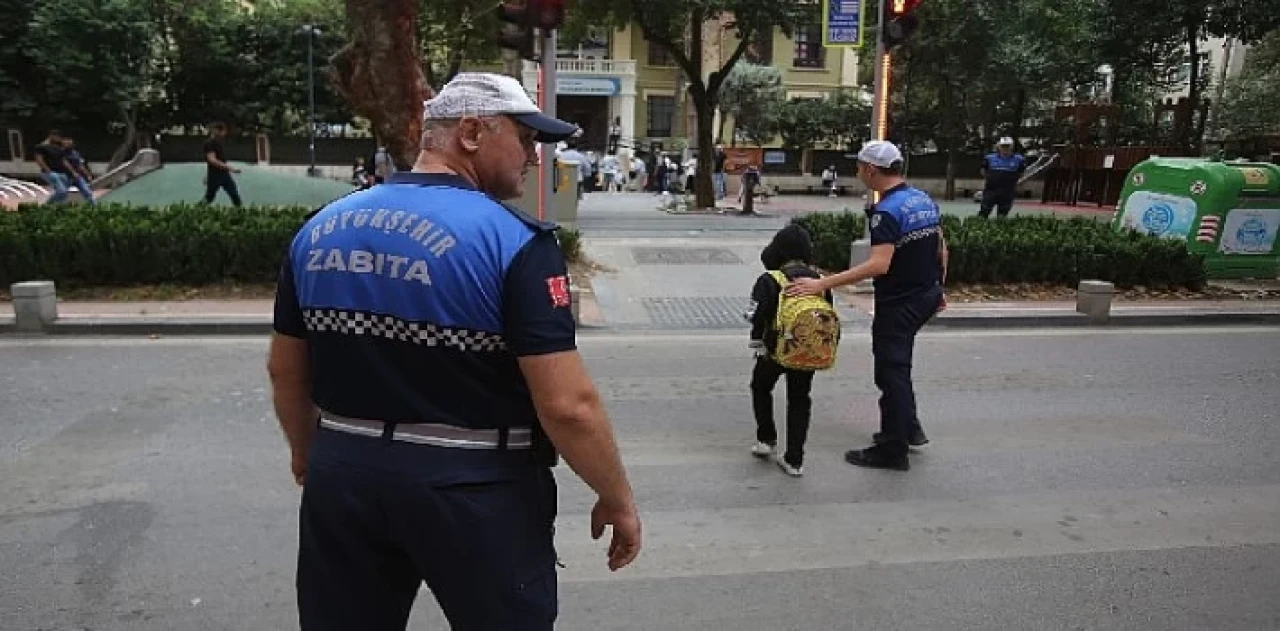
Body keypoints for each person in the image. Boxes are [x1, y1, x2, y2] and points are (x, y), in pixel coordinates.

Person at [267, 72, 642, 631]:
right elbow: (569, 406)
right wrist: (616, 496)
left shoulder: (321, 229)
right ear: (470, 132)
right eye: (525, 139)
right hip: (474, 487)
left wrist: (308, 453)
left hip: (343, 475)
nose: (535, 159)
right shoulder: (513, 243)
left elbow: (286, 371)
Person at [786, 140, 947, 471]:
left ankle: (893, 449)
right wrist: (938, 288)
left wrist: (821, 283)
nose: (858, 172)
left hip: (900, 303)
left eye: (859, 166)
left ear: (871, 170)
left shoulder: (887, 212)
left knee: (891, 372)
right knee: (899, 366)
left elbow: (879, 265)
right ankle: (908, 429)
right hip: (925, 295)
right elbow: (941, 248)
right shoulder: (920, 199)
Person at [746, 224, 833, 477]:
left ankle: (766, 439)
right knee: (800, 399)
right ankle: (794, 460)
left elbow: (756, 316)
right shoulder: (819, 281)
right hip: (806, 350)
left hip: (774, 350)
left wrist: (757, 343)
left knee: (760, 387)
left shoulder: (771, 279)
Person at [978, 136, 1026, 219]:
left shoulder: (1019, 159)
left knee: (1002, 216)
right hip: (991, 191)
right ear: (999, 146)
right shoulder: (989, 158)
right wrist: (991, 179)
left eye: (1008, 146)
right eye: (1003, 146)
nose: (1005, 148)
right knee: (984, 212)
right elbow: (983, 171)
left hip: (1007, 192)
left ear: (1012, 146)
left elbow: (1021, 173)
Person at [203, 122, 243, 207]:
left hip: (224, 174)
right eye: (223, 131)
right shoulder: (209, 143)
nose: (224, 134)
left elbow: (219, 160)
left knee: (234, 194)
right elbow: (212, 160)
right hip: (215, 175)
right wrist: (230, 168)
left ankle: (241, 213)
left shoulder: (218, 143)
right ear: (217, 131)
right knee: (209, 198)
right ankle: (196, 211)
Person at [33, 130, 71, 204]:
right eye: (58, 137)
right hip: (50, 172)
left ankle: (58, 207)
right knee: (62, 191)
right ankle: (47, 205)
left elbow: (63, 160)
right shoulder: (41, 147)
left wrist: (71, 171)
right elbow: (39, 160)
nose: (59, 139)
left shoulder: (57, 147)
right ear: (52, 136)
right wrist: (49, 171)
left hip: (62, 173)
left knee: (64, 193)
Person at [60, 137, 96, 205]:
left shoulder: (75, 153)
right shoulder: (61, 152)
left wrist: (87, 174)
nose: (68, 144)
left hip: (77, 177)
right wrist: (73, 172)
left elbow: (80, 165)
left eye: (69, 143)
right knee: (62, 193)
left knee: (87, 192)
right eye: (66, 143)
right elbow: (65, 163)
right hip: (66, 176)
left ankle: (93, 206)